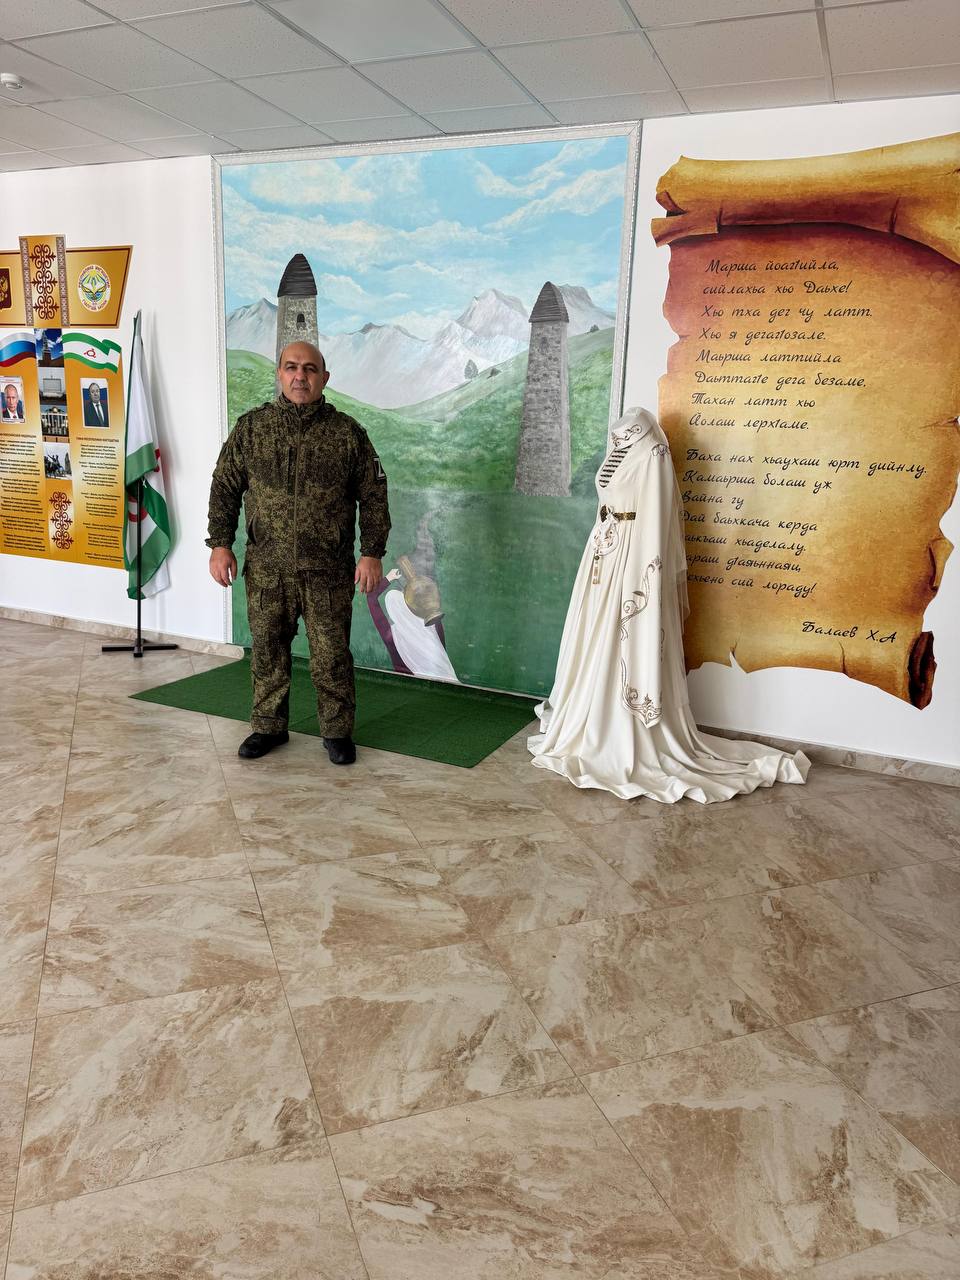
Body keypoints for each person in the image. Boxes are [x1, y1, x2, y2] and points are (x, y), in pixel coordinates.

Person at [528, 406, 809, 802]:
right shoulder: (617, 446)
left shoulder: (653, 453)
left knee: (621, 634)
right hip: (603, 551)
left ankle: (622, 724)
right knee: (593, 633)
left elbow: (657, 518)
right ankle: (587, 714)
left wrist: (644, 576)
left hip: (632, 556)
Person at [206, 341, 390, 765]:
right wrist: (220, 543)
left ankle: (337, 731)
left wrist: (372, 552)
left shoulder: (347, 434)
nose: (300, 376)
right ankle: (268, 726)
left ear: (324, 378)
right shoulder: (252, 429)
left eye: (309, 369)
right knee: (268, 650)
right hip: (267, 569)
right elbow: (225, 487)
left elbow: (374, 495)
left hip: (328, 570)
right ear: (280, 374)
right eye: (291, 367)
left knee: (331, 655)